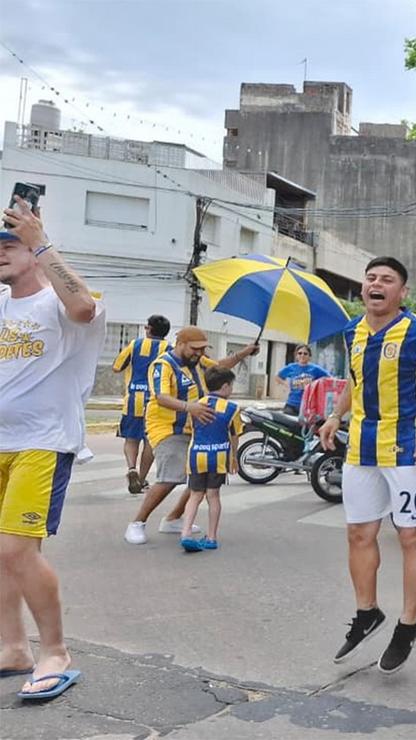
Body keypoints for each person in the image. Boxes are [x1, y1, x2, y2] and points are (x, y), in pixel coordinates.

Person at [319, 256, 416, 674]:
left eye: (387, 280)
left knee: (410, 535)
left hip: (408, 450)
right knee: (359, 533)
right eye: (371, 278)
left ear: (402, 292)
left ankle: (407, 623)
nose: (376, 284)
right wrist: (335, 415)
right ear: (363, 288)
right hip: (362, 448)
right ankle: (367, 612)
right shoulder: (353, 332)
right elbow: (354, 380)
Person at [0, 196, 105, 701]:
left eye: (11, 242)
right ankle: (12, 648)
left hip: (42, 443)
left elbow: (84, 307)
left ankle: (56, 651)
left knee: (16, 549)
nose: (1, 250)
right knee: (1, 556)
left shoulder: (61, 302)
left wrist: (41, 241)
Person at [123, 328, 258, 545]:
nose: (199, 353)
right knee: (170, 476)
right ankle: (137, 523)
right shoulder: (163, 365)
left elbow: (219, 368)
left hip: (194, 428)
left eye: (203, 349)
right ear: (181, 344)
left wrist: (244, 353)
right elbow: (161, 396)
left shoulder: (197, 362)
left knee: (200, 474)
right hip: (166, 427)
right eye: (196, 348)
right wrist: (190, 407)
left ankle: (173, 518)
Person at [179, 367, 242, 552]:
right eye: (231, 386)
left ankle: (186, 533)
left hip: (197, 456)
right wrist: (234, 458)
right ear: (224, 387)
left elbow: (189, 429)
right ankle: (212, 537)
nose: (231, 390)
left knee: (195, 495)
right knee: (213, 496)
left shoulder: (196, 405)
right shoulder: (232, 409)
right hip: (219, 457)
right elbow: (235, 435)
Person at [111, 314, 170, 494]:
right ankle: (142, 479)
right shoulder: (169, 348)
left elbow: (116, 366)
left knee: (131, 438)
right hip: (155, 401)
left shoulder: (134, 345)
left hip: (132, 400)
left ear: (149, 329)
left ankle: (131, 468)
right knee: (149, 441)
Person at [275, 344, 330, 415]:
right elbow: (277, 377)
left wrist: (318, 385)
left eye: (305, 353)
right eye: (300, 353)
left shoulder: (315, 369)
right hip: (291, 405)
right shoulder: (291, 367)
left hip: (308, 406)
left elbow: (328, 378)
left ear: (309, 356)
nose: (302, 355)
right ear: (296, 356)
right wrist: (286, 384)